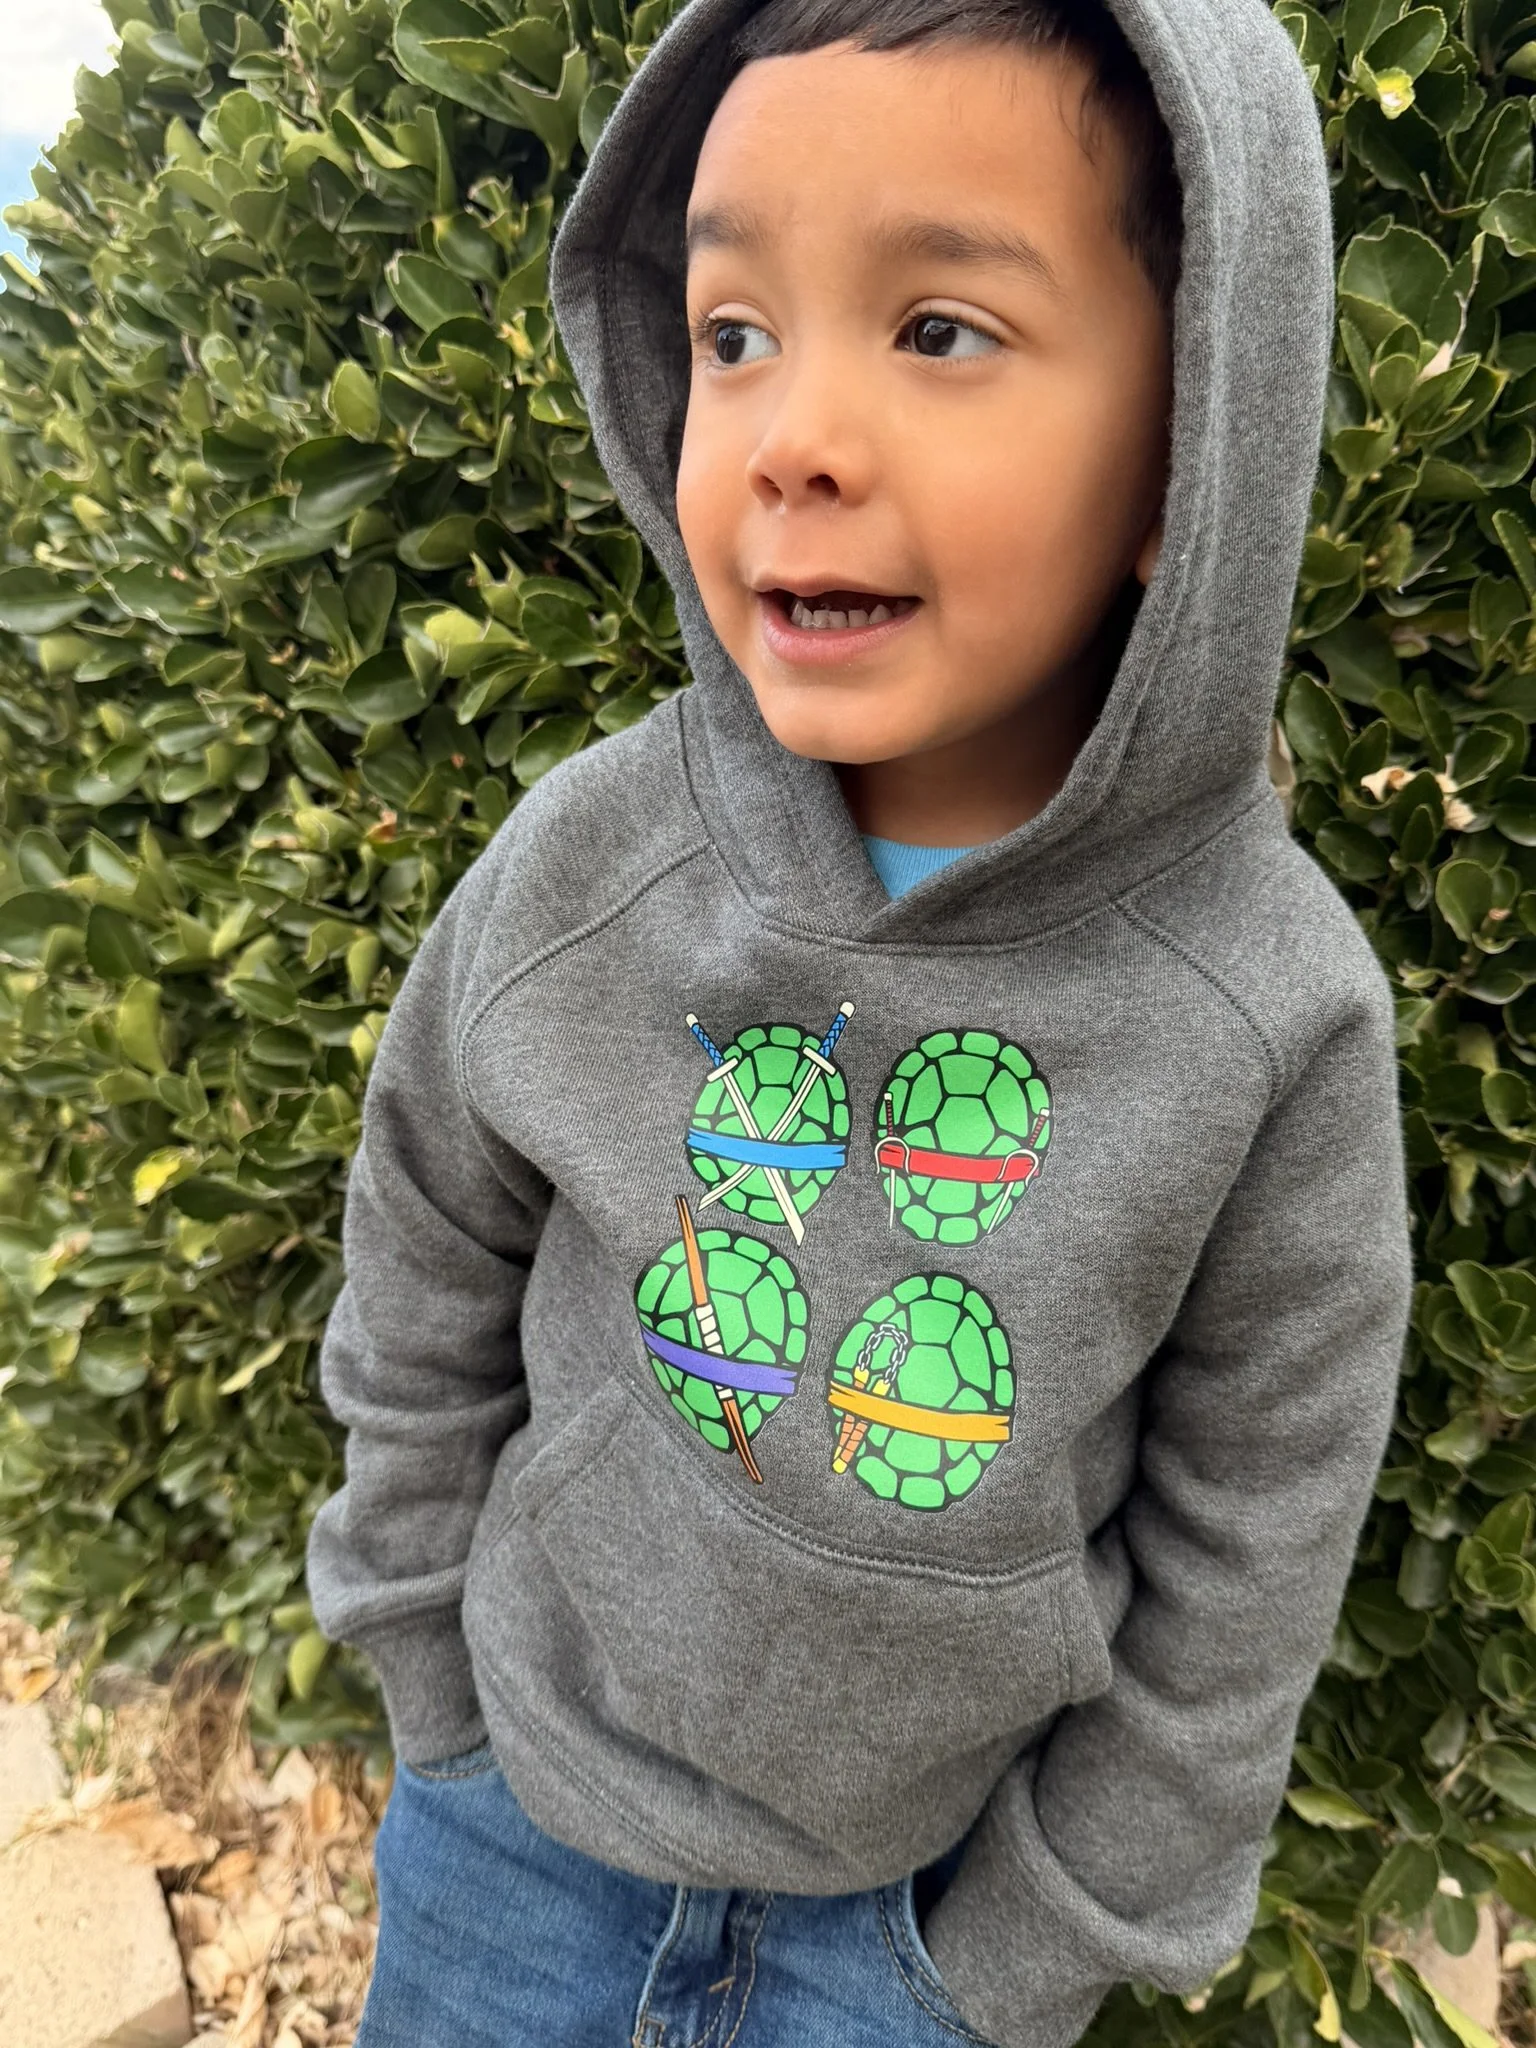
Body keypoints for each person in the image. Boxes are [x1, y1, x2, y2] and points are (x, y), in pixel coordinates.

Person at [306, 0, 1416, 2043]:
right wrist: (426, 1677)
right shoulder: (595, 864)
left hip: (910, 1937)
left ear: (1193, 446)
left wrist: (1032, 1950)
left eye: (938, 330)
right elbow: (427, 1237)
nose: (797, 431)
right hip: (511, 1841)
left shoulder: (1272, 1016)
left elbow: (1257, 1529)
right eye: (735, 332)